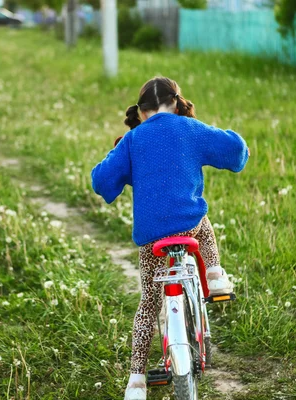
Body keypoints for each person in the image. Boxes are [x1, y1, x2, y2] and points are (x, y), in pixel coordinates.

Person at [91, 77, 249, 400]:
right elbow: (236, 152)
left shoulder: (133, 141)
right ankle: (216, 276)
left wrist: (119, 157)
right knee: (202, 221)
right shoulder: (189, 129)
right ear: (176, 104)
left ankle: (135, 382)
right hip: (189, 228)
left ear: (142, 111)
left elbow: (102, 181)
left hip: (152, 241)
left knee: (149, 304)